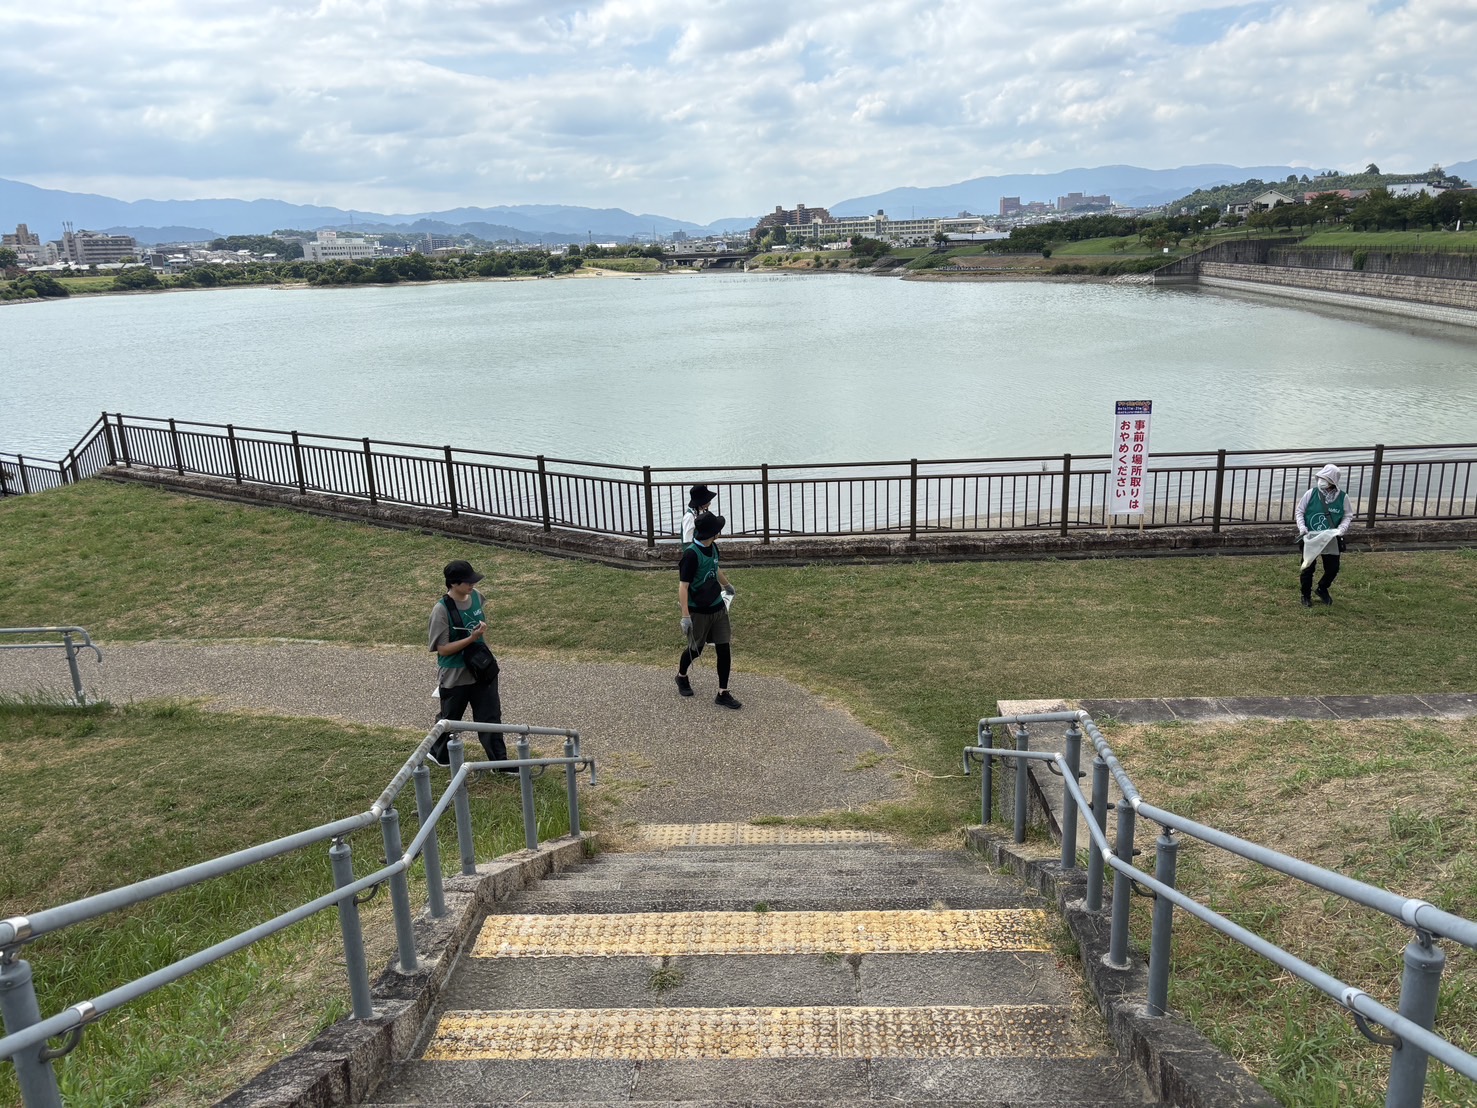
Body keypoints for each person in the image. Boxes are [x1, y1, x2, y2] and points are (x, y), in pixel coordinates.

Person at [427, 559, 508, 767]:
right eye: (467, 582)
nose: (473, 585)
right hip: (455, 674)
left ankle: (500, 762)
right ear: (453, 583)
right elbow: (442, 649)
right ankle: (438, 753)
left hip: (482, 670)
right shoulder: (441, 610)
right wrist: (472, 638)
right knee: (450, 718)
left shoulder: (476, 596)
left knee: (490, 717)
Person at [675, 513, 741, 708]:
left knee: (724, 648)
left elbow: (715, 567)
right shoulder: (691, 555)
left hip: (718, 607)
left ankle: (723, 692)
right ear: (713, 533)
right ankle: (681, 676)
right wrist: (685, 616)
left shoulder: (713, 547)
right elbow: (683, 586)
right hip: (699, 611)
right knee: (695, 649)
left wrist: (727, 585)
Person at [1295, 464, 1351, 607]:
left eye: (1325, 478)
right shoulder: (1311, 493)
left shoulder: (1343, 497)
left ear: (1333, 481)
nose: (1322, 481)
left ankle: (1322, 588)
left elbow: (1347, 515)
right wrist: (1302, 528)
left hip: (1330, 538)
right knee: (1307, 567)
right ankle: (1305, 595)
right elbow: (1300, 511)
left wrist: (1342, 528)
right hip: (1311, 537)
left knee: (1333, 568)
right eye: (1320, 477)